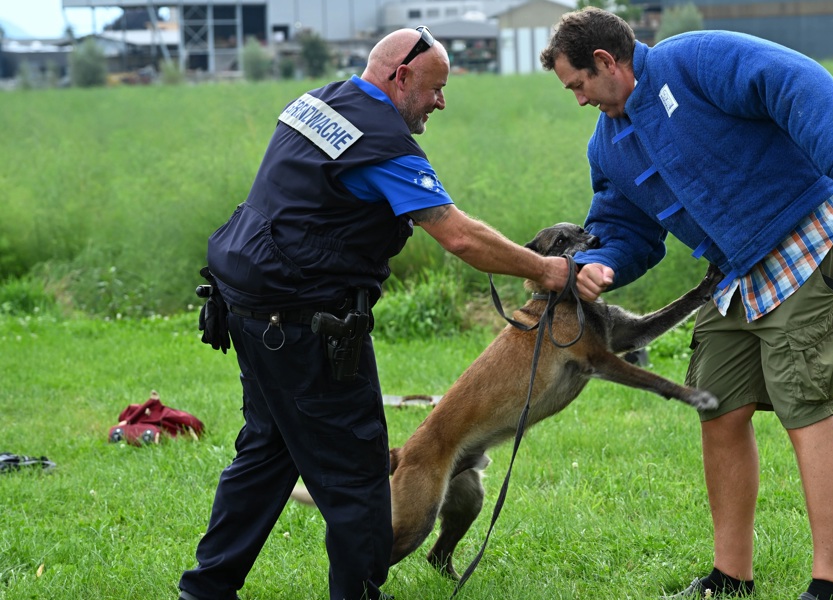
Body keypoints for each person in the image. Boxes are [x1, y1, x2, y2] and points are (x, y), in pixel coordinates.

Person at [178, 27, 572, 600]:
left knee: (266, 453)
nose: (441, 102)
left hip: (248, 307)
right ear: (400, 76)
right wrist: (545, 272)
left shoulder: (319, 101)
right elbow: (459, 236)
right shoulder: (381, 142)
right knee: (357, 473)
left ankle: (205, 591)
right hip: (307, 323)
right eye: (435, 89)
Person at [540, 8, 833, 600]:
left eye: (578, 85)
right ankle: (732, 578)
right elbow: (625, 229)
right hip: (732, 274)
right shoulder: (608, 146)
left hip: (802, 241)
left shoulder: (692, 60)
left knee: (805, 405)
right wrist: (598, 264)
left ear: (606, 62)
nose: (578, 100)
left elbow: (795, 80)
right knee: (718, 409)